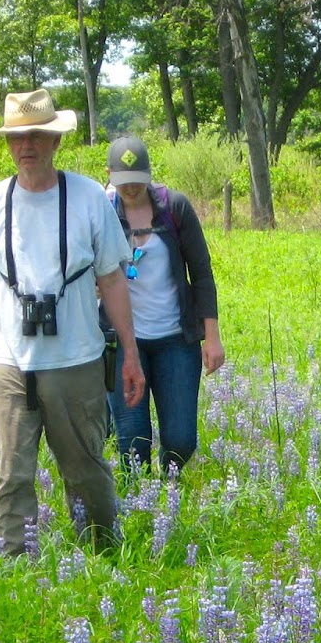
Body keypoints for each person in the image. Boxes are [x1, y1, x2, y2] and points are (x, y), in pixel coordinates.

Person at [0, 89, 145, 556]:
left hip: (76, 359)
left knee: (86, 470)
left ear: (56, 141)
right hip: (8, 361)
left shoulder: (88, 197)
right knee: (11, 472)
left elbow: (113, 280)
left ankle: (104, 556)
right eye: (18, 137)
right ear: (6, 144)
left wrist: (130, 354)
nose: (28, 146)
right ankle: (13, 569)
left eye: (38, 135)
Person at [104, 135, 225, 474]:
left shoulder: (175, 207)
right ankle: (138, 510)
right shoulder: (101, 211)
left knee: (181, 439)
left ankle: (169, 492)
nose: (130, 189)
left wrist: (211, 337)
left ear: (150, 175)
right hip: (121, 342)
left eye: (137, 182)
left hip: (175, 338)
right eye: (123, 183)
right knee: (131, 440)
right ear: (110, 175)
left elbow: (201, 273)